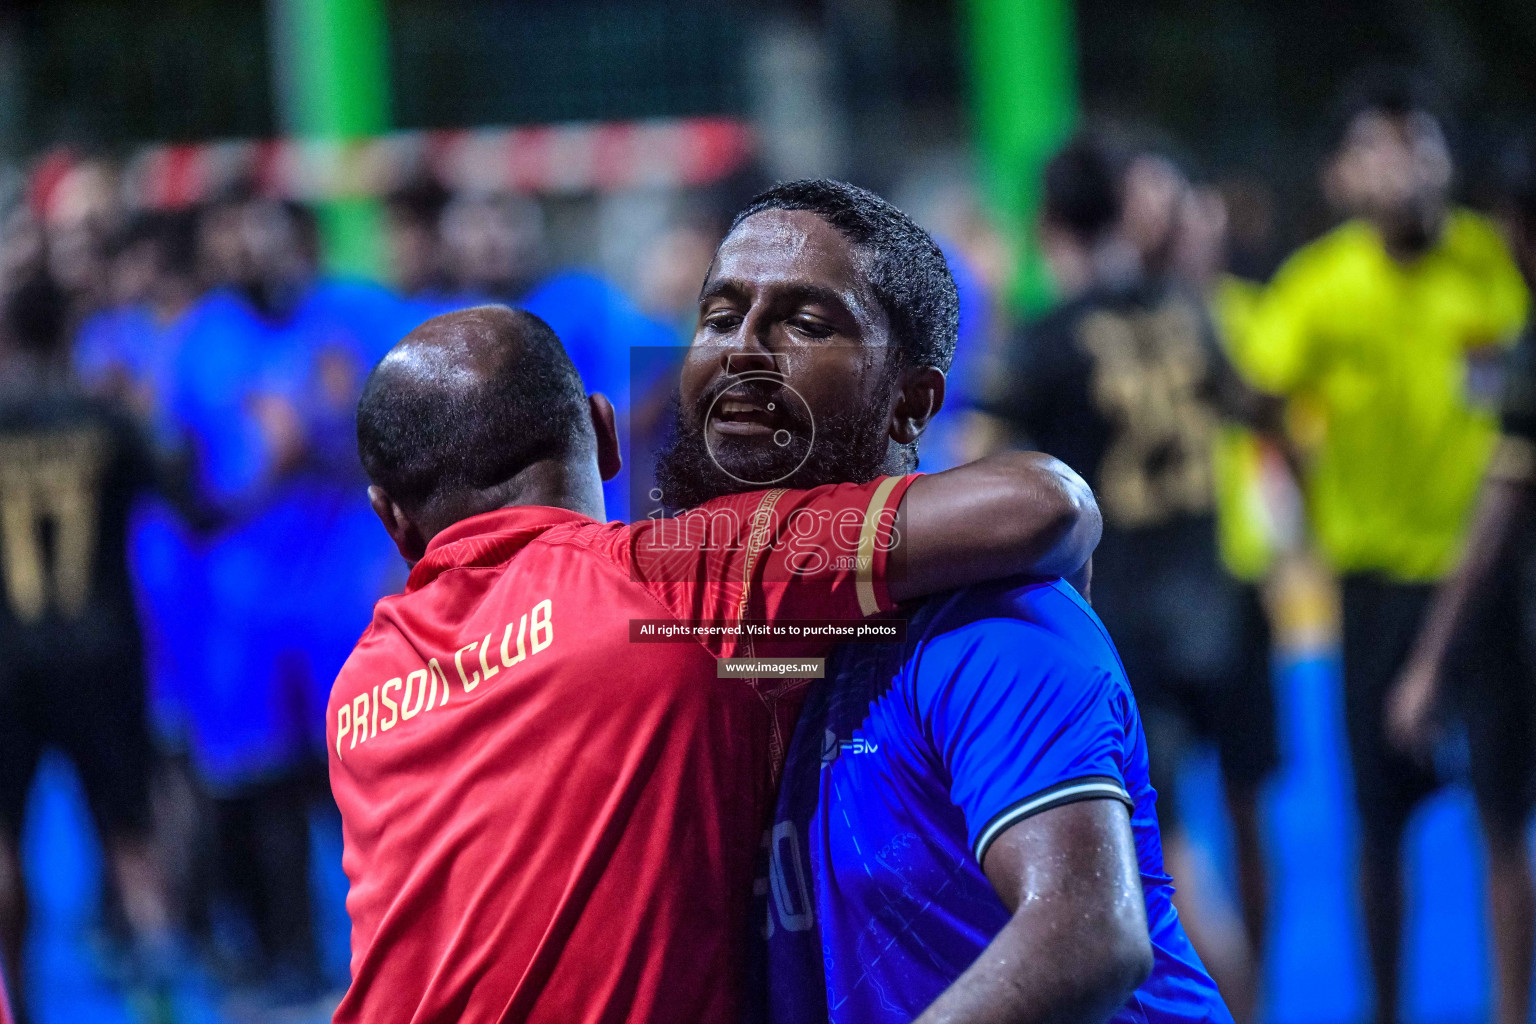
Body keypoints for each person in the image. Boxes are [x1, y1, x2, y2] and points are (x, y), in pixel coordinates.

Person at [329, 303, 1099, 1024]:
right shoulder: (670, 575)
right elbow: (1042, 504)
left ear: (391, 519)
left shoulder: (358, 685)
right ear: (604, 433)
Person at [658, 178, 1221, 1024]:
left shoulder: (995, 628)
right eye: (719, 315)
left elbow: (1091, 934)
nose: (743, 349)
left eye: (804, 324)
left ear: (911, 402)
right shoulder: (721, 635)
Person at [1242, 77, 1529, 1024]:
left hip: (1489, 585)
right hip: (1369, 589)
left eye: (1421, 141)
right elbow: (1259, 396)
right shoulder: (1318, 285)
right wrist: (1311, 503)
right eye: (1378, 145)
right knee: (1377, 830)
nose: (1403, 163)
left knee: (1504, 822)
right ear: (1341, 175)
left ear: (1446, 157)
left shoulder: (1495, 263)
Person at [982, 136, 1278, 1018]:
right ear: (1126, 211)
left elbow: (985, 481)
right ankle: (1260, 992)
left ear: (1044, 223)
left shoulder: (1042, 342)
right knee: (1251, 819)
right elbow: (1255, 408)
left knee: (1172, 847)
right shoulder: (1190, 310)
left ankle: (1235, 1004)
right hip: (1223, 593)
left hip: (1130, 619)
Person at [1386, 134, 1536, 1024]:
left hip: (1509, 626)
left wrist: (1429, 661)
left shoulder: (1526, 346)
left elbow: (1497, 518)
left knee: (1501, 829)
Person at [0, 274, 175, 1022]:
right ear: (71, 334)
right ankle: (165, 1006)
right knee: (131, 843)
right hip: (104, 658)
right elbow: (195, 505)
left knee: (4, 844)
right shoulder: (106, 416)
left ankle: (19, 1004)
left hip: (6, 662)